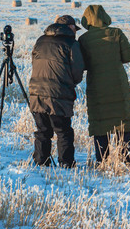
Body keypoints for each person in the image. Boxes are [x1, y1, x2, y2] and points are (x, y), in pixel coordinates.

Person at [78, 5, 130, 163]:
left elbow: (82, 64)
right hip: (118, 84)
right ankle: (125, 158)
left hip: (96, 85)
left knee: (100, 121)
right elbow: (129, 56)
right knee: (122, 120)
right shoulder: (116, 33)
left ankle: (101, 160)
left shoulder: (83, 39)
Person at [29, 15, 85, 168]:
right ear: (69, 27)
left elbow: (34, 62)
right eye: (75, 28)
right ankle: (66, 164)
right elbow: (78, 71)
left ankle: (41, 162)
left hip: (36, 92)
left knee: (42, 130)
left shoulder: (40, 41)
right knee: (63, 131)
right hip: (59, 94)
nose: (76, 31)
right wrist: (69, 82)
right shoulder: (71, 43)